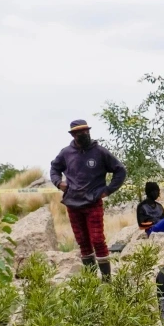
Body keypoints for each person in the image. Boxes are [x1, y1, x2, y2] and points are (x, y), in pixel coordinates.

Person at [50, 119, 127, 280]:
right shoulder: (66, 153)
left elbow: (120, 170)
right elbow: (55, 168)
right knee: (83, 242)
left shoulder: (100, 152)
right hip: (72, 203)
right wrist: (59, 183)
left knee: (98, 240)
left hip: (93, 203)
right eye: (79, 132)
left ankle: (107, 281)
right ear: (73, 134)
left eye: (86, 131)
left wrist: (108, 190)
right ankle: (91, 281)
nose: (84, 134)